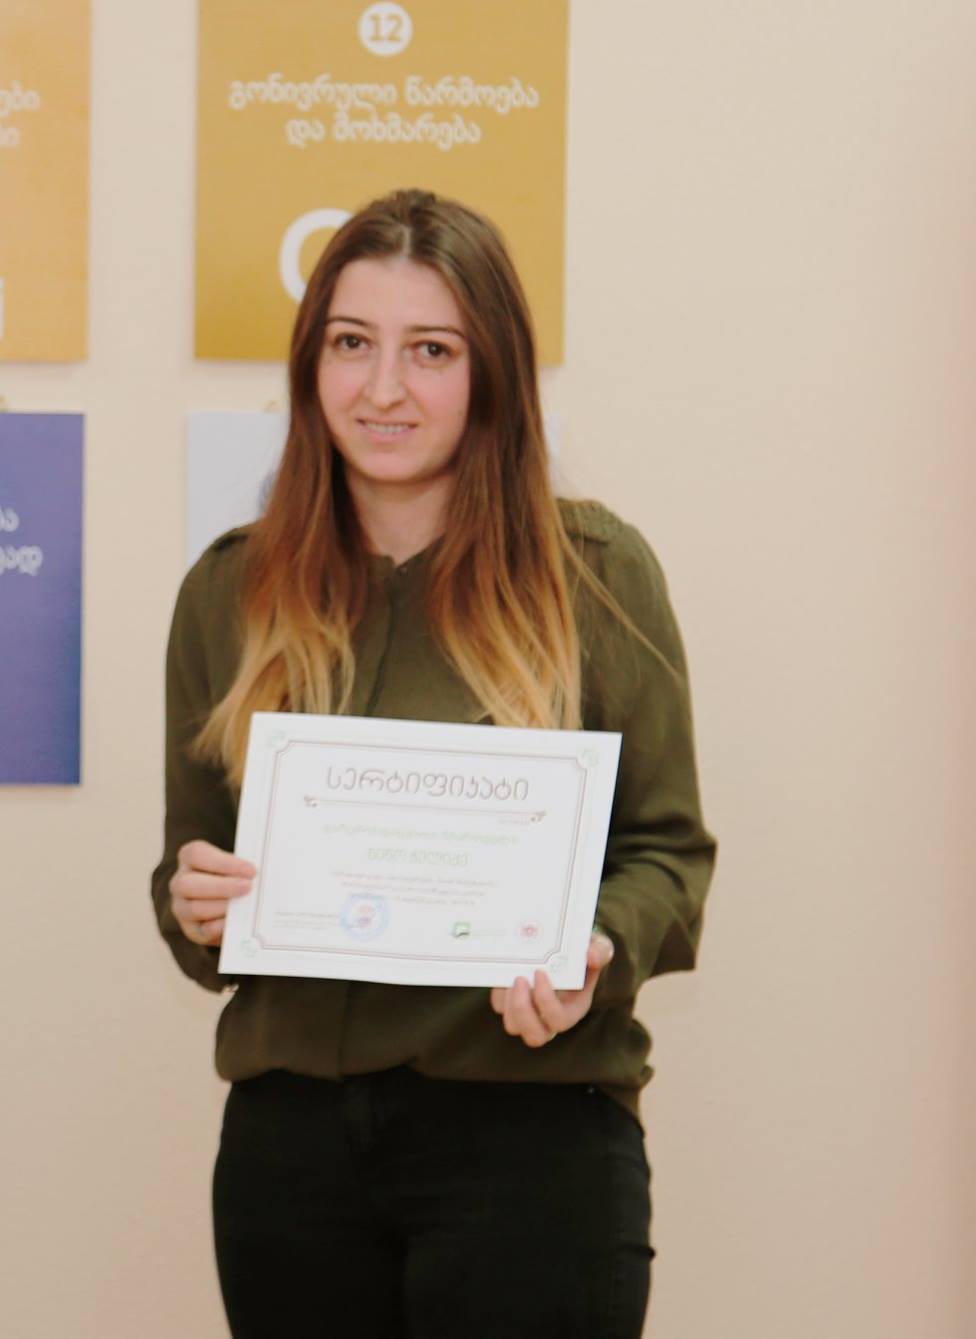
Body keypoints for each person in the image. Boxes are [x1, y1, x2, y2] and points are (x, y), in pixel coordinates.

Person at [152, 189, 714, 1338]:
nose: (382, 389)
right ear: (310, 364)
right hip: (290, 1153)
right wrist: (193, 902)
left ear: (491, 371)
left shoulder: (595, 576)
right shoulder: (228, 590)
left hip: (531, 1142)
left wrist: (592, 949)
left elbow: (665, 852)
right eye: (350, 343)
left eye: (430, 351)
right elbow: (189, 870)